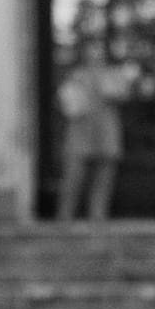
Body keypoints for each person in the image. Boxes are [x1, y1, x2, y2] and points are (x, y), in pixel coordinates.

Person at [56, 42, 134, 222]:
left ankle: (98, 217)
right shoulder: (76, 76)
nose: (95, 56)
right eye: (92, 52)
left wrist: (104, 83)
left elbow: (121, 93)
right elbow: (67, 101)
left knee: (103, 179)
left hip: (105, 134)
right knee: (73, 177)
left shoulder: (112, 74)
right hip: (80, 133)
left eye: (98, 52)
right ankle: (65, 217)